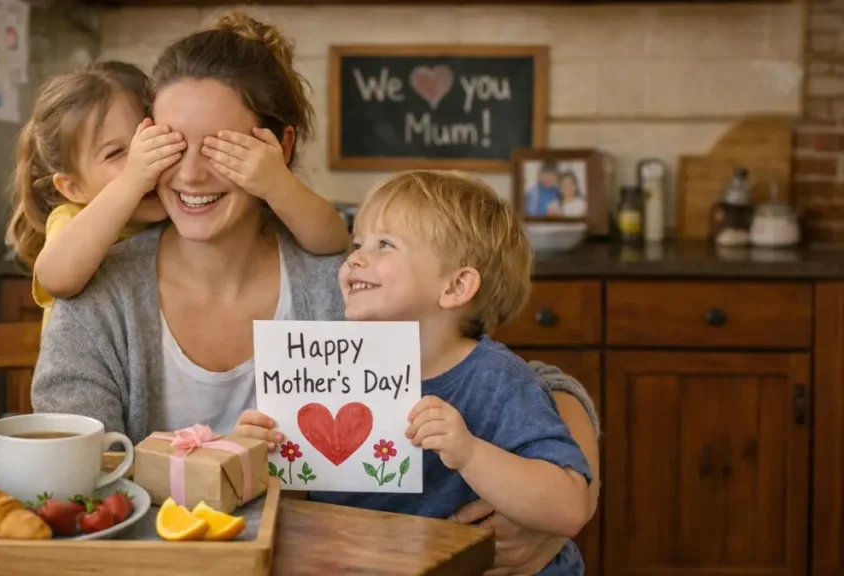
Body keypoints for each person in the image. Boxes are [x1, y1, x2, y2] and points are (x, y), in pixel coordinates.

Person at [30, 10, 599, 574]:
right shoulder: (96, 289)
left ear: (279, 146)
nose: (191, 176)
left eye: (220, 147)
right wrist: (225, 460)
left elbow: (490, 372)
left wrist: (565, 502)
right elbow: (78, 482)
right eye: (171, 145)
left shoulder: (350, 277)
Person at [308, 169, 593, 574]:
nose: (354, 257)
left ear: (456, 287)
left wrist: (470, 452)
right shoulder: (326, 367)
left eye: (384, 244)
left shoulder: (498, 379)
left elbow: (569, 508)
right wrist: (263, 449)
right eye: (357, 243)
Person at [4, 61, 349, 329]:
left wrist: (276, 183)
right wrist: (132, 182)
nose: (148, 162)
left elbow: (333, 238)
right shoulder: (72, 219)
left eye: (158, 141)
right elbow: (57, 279)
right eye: (116, 154)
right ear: (73, 188)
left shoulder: (185, 213)